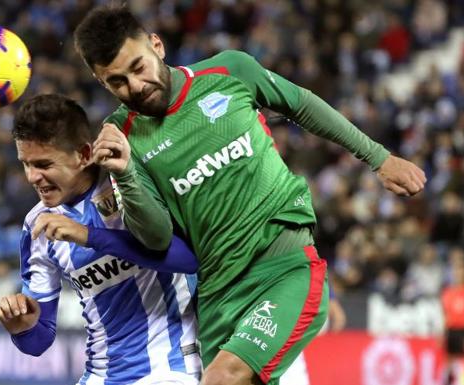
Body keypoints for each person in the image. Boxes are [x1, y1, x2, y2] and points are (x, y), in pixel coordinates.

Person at [74, 6, 426, 385]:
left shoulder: (228, 71)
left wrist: (378, 157)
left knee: (223, 378)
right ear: (102, 82)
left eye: (138, 67)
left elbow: (302, 105)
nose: (136, 86)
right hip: (216, 294)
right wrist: (125, 174)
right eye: (117, 82)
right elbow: (156, 237)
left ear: (156, 45)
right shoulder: (119, 137)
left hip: (283, 266)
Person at [0, 94, 202, 385]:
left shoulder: (129, 184)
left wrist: (89, 236)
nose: (32, 177)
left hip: (172, 368)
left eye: (43, 164)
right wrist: (22, 326)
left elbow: (189, 260)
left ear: (83, 154)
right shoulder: (37, 224)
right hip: (100, 375)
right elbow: (38, 342)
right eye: (25, 164)